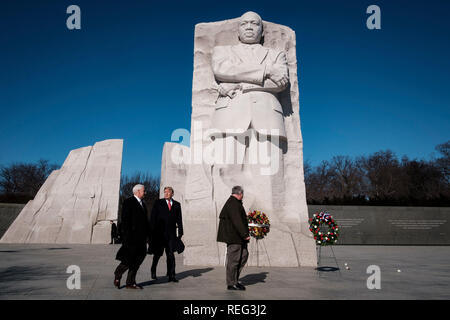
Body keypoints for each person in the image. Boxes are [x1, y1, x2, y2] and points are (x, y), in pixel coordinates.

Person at [113, 184, 149, 289]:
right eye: (144, 191)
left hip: (142, 238)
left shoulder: (144, 204)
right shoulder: (128, 202)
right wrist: (126, 237)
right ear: (137, 191)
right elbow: (125, 221)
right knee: (129, 259)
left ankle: (130, 282)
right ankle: (118, 273)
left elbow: (145, 222)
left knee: (138, 260)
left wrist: (148, 236)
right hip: (132, 238)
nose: (145, 192)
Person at [217, 186, 250, 290]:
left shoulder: (235, 203)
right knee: (234, 260)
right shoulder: (233, 203)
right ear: (240, 193)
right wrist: (245, 234)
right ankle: (231, 283)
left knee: (244, 256)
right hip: (234, 237)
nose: (243, 196)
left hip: (238, 237)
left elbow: (238, 218)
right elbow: (237, 221)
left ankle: (235, 280)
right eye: (242, 194)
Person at [149, 186, 184, 282]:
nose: (166, 194)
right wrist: (151, 232)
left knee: (170, 255)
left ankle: (171, 275)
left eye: (168, 192)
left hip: (171, 235)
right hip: (160, 234)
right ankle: (153, 269)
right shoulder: (158, 203)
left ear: (172, 193)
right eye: (165, 192)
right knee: (157, 254)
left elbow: (179, 219)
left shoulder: (177, 204)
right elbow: (153, 218)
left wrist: (180, 232)